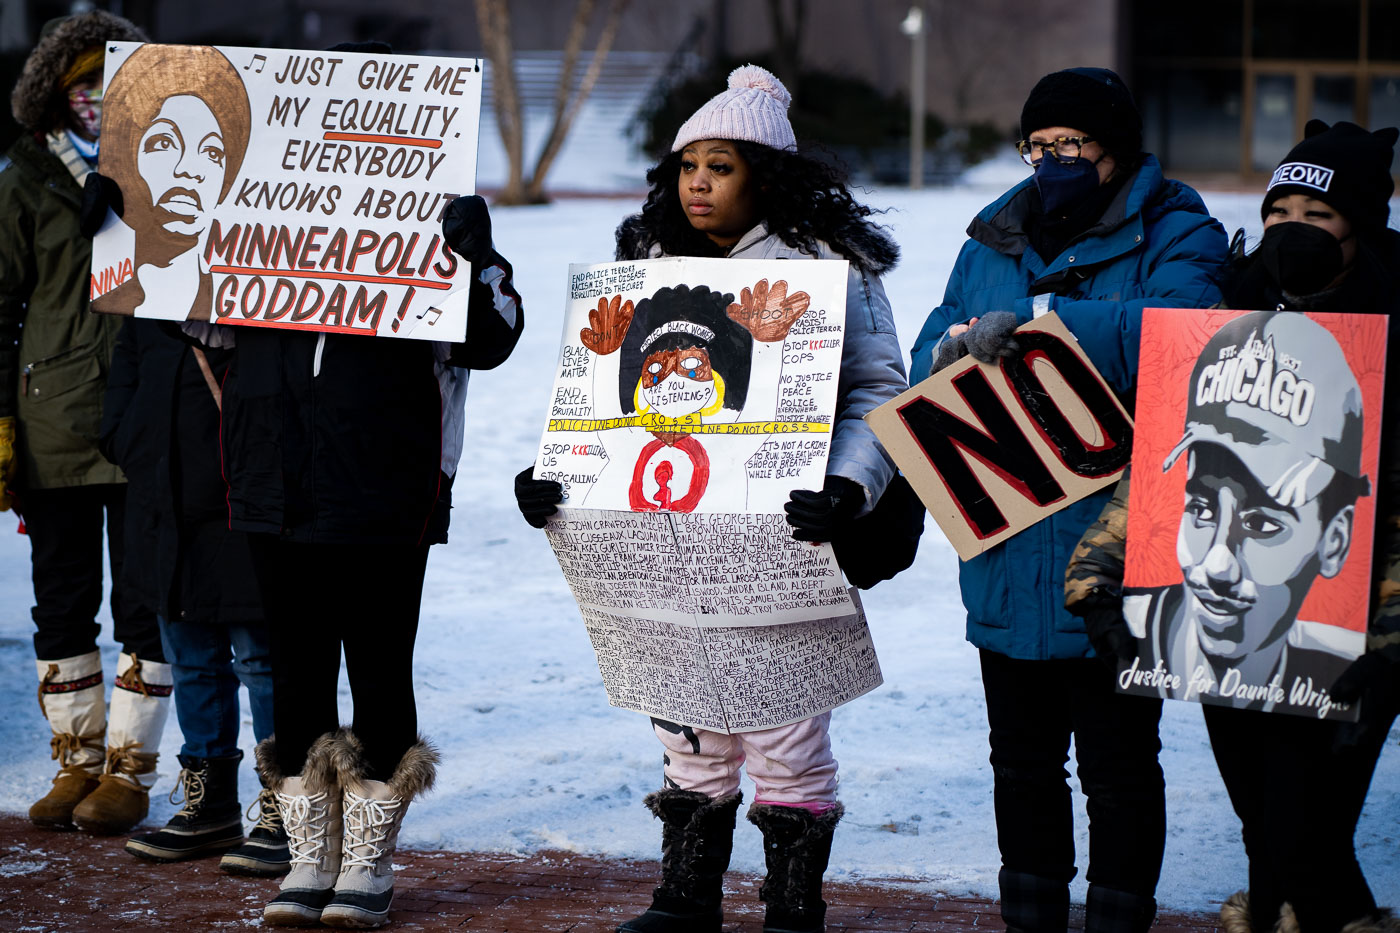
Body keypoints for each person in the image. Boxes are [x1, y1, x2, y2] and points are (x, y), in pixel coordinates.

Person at [515, 64, 909, 933]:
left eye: (721, 164)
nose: (698, 181)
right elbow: (600, 403)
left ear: (765, 173)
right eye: (687, 163)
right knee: (686, 727)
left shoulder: (828, 268)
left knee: (786, 733)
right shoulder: (647, 265)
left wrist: (846, 483)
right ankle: (685, 897)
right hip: (659, 540)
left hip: (781, 542)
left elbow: (878, 390)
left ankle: (791, 908)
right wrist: (558, 481)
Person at [908, 67, 1228, 933]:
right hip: (1008, 543)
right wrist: (941, 355)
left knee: (1120, 765)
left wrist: (1047, 319)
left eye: (1070, 147)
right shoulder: (988, 242)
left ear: (1113, 152)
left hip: (1117, 548)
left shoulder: (1180, 231)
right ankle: (1032, 918)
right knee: (1020, 762)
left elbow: (1188, 341)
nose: (1050, 161)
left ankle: (1119, 922)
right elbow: (925, 357)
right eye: (1037, 146)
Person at [1066, 119, 1400, 933]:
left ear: (1361, 227)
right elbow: (1169, 467)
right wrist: (1098, 575)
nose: (1292, 231)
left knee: (1307, 833)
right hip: (1228, 629)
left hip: (1350, 628)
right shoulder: (1227, 319)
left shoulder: (1391, 333)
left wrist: (1390, 641)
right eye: (1279, 212)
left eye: (1316, 218)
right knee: (1268, 827)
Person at [0, 10, 177, 838]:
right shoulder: (27, 177)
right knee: (62, 602)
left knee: (149, 601)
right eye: (83, 84)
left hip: (147, 420)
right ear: (56, 96)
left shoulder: (171, 165)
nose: (99, 98)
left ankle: (130, 771)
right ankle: (75, 760)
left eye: (114, 79)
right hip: (55, 424)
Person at [98, 316, 288, 876]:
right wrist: (131, 438)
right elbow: (120, 397)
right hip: (163, 509)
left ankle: (288, 804)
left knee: (262, 662)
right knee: (191, 662)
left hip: (243, 508)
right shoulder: (146, 309)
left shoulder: (255, 295)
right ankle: (211, 805)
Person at [1117, 311, 1368, 710]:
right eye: (1201, 509)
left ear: (1334, 541)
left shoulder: (1342, 660)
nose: (1218, 566)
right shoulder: (1131, 628)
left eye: (1262, 523)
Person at [90, 44, 252, 321]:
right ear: (129, 159)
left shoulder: (243, 306)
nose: (189, 170)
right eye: (164, 142)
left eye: (213, 152)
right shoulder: (112, 304)